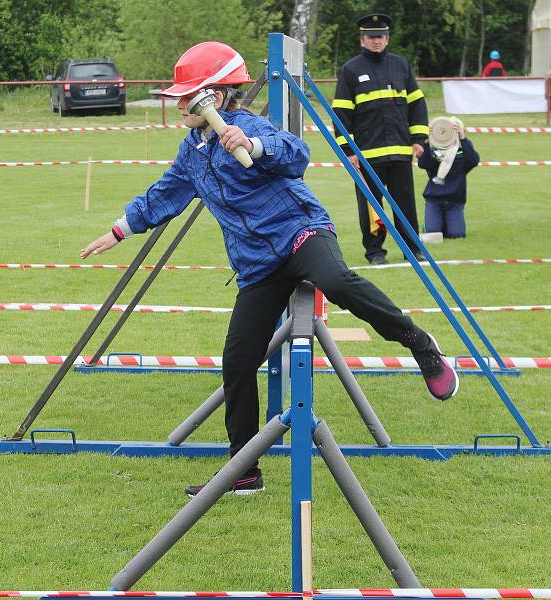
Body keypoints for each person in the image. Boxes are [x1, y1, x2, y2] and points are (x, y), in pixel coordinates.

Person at [80, 42, 460, 497]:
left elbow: (295, 155)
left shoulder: (247, 126)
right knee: (238, 361)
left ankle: (418, 342)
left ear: (217, 98)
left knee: (336, 280)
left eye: (189, 97)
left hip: (299, 233)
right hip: (257, 263)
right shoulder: (191, 151)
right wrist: (119, 230)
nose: (180, 105)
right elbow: (163, 196)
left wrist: (253, 145)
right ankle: (245, 470)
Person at [333, 13, 428, 265]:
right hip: (366, 155)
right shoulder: (350, 70)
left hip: (400, 152)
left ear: (387, 39)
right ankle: (375, 252)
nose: (377, 41)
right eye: (372, 37)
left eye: (381, 37)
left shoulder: (401, 66)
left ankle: (414, 249)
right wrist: (348, 150)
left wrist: (419, 139)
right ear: (362, 40)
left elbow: (417, 104)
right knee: (371, 207)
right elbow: (341, 113)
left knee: (406, 204)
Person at [417, 117, 479, 239]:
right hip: (434, 199)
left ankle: (447, 225)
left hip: (455, 200)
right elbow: (424, 164)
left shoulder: (462, 151)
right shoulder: (434, 150)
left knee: (457, 235)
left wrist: (462, 137)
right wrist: (426, 141)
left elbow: (473, 160)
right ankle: (434, 224)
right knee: (432, 232)